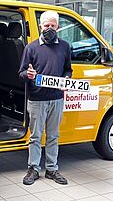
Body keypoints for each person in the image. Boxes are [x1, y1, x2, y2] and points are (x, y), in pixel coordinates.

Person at [19, 10, 73, 185]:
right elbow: (20, 73)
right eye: (46, 25)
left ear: (57, 26)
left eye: (53, 25)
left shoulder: (65, 46)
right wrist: (28, 74)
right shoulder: (31, 47)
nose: (49, 28)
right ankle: (33, 169)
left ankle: (51, 169)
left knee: (53, 136)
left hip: (57, 98)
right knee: (35, 136)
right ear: (40, 26)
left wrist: (66, 79)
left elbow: (68, 69)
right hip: (36, 99)